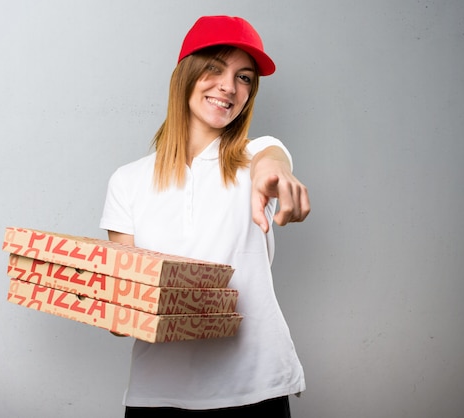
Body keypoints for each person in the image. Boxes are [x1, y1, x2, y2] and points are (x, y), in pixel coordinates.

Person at [100, 15, 310, 417]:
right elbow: (125, 309)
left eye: (244, 77)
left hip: (255, 386)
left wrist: (277, 172)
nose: (229, 87)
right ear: (185, 74)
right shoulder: (127, 181)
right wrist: (107, 302)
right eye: (214, 68)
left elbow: (273, 158)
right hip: (158, 391)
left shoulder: (254, 158)